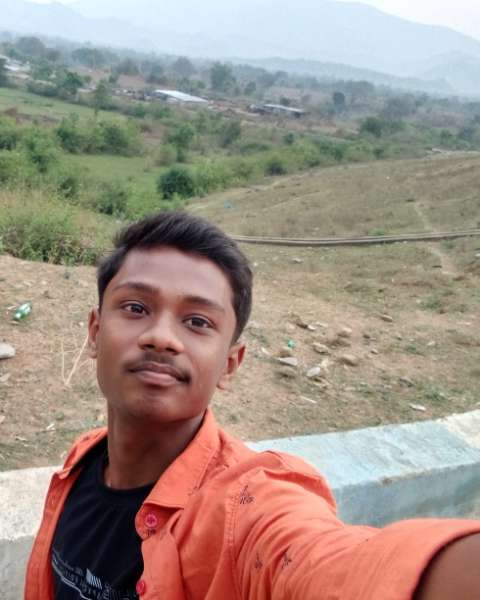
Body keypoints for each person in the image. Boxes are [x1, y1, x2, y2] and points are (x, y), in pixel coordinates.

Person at [25, 211, 480, 600]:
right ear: (95, 332)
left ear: (229, 364)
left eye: (197, 321)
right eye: (136, 308)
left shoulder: (246, 509)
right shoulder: (81, 461)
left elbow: (325, 564)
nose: (161, 337)